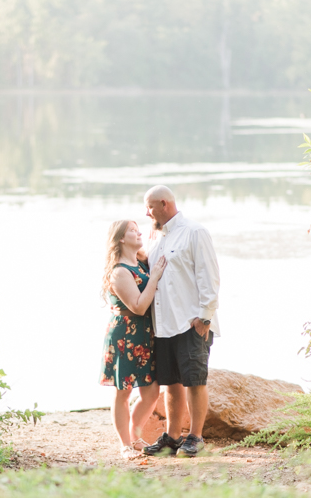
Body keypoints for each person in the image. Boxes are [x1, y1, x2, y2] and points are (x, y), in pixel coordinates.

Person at [141, 185, 220, 458]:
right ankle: (173, 438)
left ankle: (195, 437)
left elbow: (209, 277)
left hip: (191, 321)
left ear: (164, 203)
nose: (146, 212)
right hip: (163, 323)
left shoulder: (194, 232)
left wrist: (205, 317)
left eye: (149, 207)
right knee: (171, 382)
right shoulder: (156, 238)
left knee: (195, 380)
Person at [99, 219, 168, 460]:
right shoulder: (119, 271)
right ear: (120, 238)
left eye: (138, 228)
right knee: (123, 392)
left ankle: (135, 436)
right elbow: (138, 307)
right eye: (132, 230)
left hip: (145, 334)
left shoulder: (140, 260)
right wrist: (155, 277)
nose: (138, 232)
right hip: (125, 336)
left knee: (151, 392)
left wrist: (159, 229)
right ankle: (125, 445)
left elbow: (160, 246)